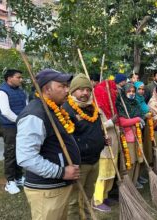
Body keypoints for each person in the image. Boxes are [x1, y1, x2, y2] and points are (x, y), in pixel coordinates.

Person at [16, 69, 80, 219]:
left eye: (67, 86)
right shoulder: (35, 114)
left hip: (57, 187)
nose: (67, 90)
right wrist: (61, 172)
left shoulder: (53, 108)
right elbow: (26, 157)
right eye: (62, 86)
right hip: (47, 191)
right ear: (46, 89)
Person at [64, 74, 106, 219]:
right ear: (73, 91)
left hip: (95, 160)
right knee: (75, 200)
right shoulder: (66, 109)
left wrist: (102, 139)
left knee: (88, 195)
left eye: (88, 89)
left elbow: (93, 128)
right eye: (80, 89)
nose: (85, 93)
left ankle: (87, 217)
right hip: (79, 163)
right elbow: (66, 139)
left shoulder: (92, 107)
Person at [92, 80, 119, 212]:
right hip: (104, 146)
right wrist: (111, 121)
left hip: (114, 144)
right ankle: (97, 200)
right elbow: (98, 127)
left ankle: (105, 196)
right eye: (111, 90)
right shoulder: (97, 107)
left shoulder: (112, 106)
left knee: (111, 173)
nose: (114, 93)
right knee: (102, 174)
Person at [0, 69, 27, 194]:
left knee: (19, 150)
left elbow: (25, 106)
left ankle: (18, 177)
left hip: (20, 125)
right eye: (18, 77)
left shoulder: (20, 91)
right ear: (9, 78)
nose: (21, 79)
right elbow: (5, 111)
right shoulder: (2, 91)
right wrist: (20, 120)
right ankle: (10, 182)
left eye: (21, 77)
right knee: (10, 153)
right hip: (9, 127)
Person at [116, 84, 145, 188]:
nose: (132, 93)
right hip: (127, 138)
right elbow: (122, 121)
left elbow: (141, 115)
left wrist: (139, 120)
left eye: (133, 91)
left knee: (137, 160)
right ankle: (126, 185)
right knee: (129, 162)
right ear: (124, 92)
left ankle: (134, 182)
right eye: (129, 91)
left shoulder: (136, 102)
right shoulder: (120, 103)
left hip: (137, 136)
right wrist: (136, 120)